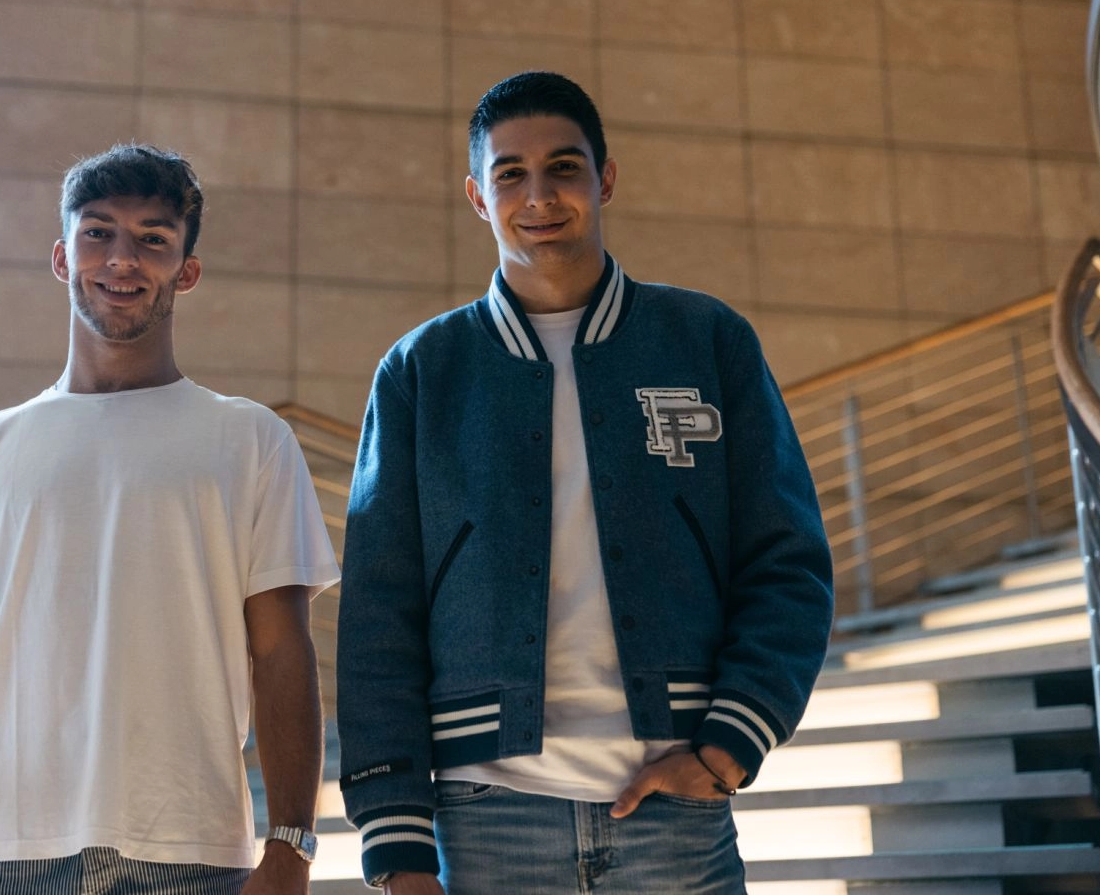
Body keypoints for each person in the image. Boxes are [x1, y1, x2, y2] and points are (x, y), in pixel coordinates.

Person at [334, 72, 834, 894]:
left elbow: (788, 560)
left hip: (675, 811)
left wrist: (728, 747)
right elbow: (379, 616)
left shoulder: (706, 341)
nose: (539, 195)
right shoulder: (423, 371)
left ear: (604, 178)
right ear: (476, 195)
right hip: (488, 816)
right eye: (510, 174)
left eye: (564, 168)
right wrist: (395, 839)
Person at [0, 144, 340, 895]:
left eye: (153, 239)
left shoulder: (249, 439)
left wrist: (292, 845)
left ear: (185, 271)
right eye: (98, 233)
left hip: (188, 855)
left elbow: (282, 651)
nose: (122, 259)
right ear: (62, 258)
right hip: (3, 859)